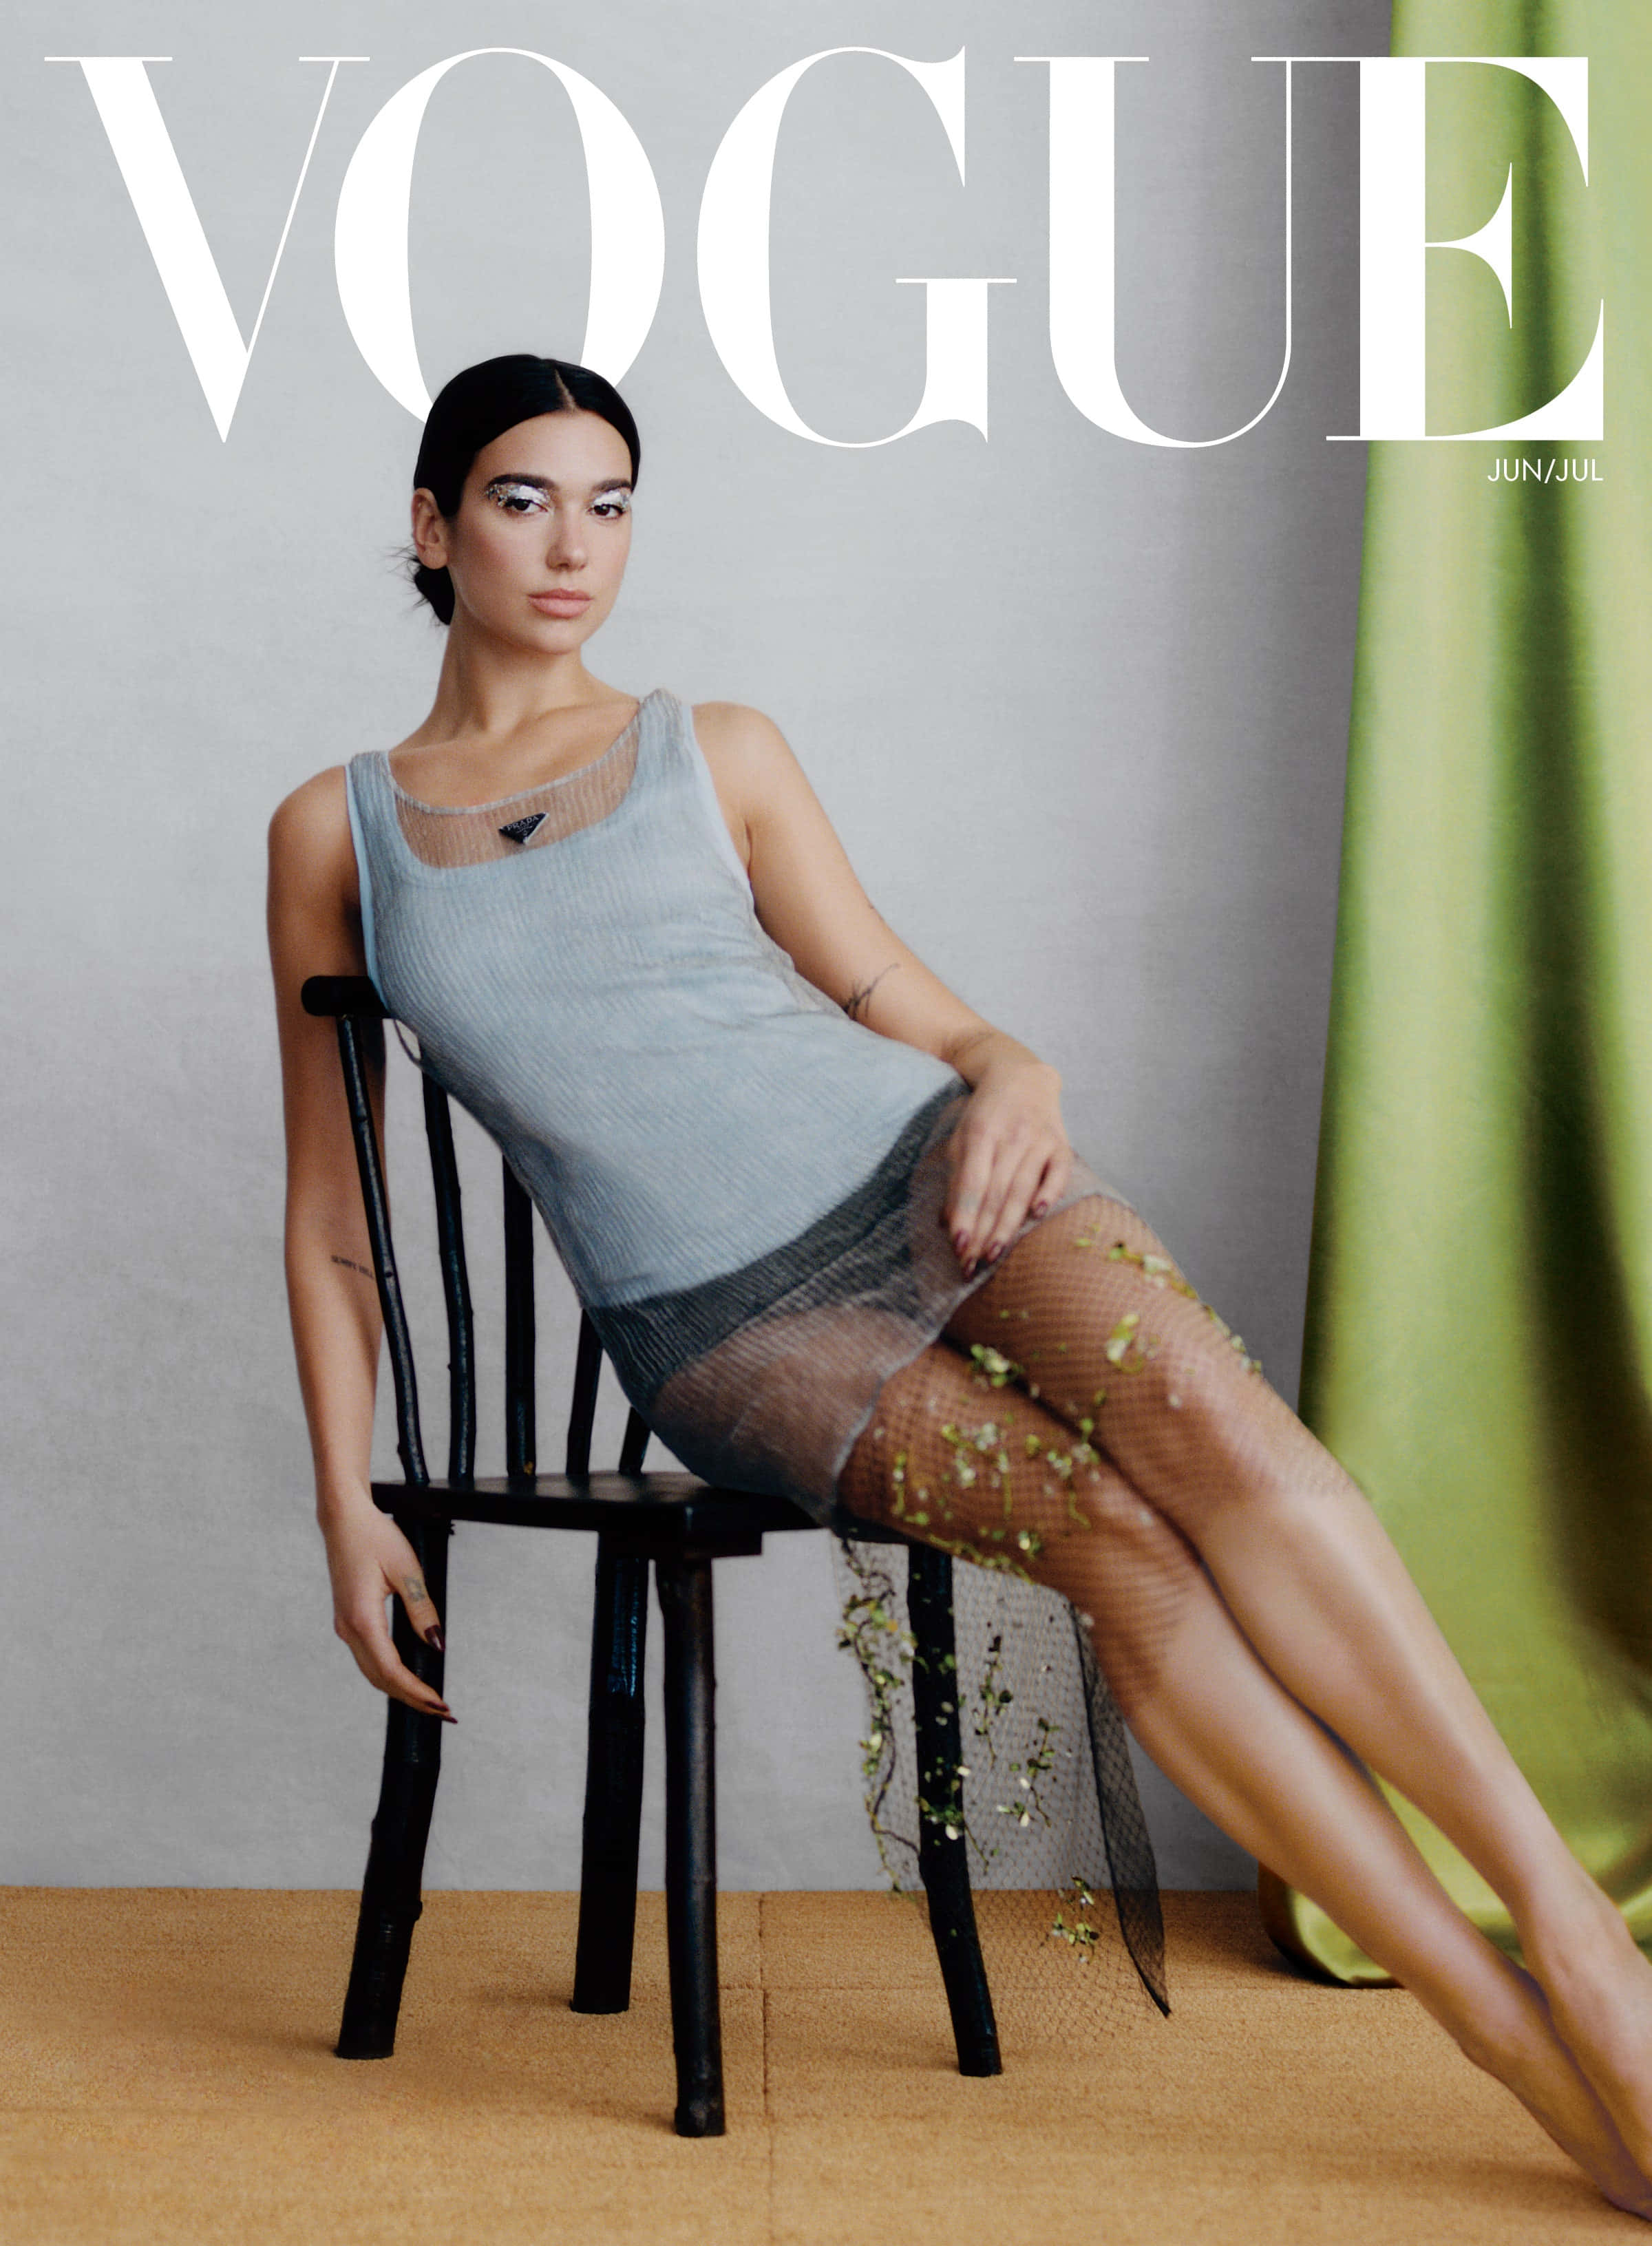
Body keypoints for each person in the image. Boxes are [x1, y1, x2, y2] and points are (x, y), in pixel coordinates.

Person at [266, 353, 1652, 2218]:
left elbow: (902, 1002)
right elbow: (332, 1216)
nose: (574, 545)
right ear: (435, 528)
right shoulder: (336, 832)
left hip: (927, 1168)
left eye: (611, 503)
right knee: (1119, 1545)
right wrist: (347, 1501)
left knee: (1217, 1426)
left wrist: (1019, 1072)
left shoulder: (717, 749)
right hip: (733, 1327)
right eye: (524, 500)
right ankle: (1496, 2027)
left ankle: (1578, 1943)